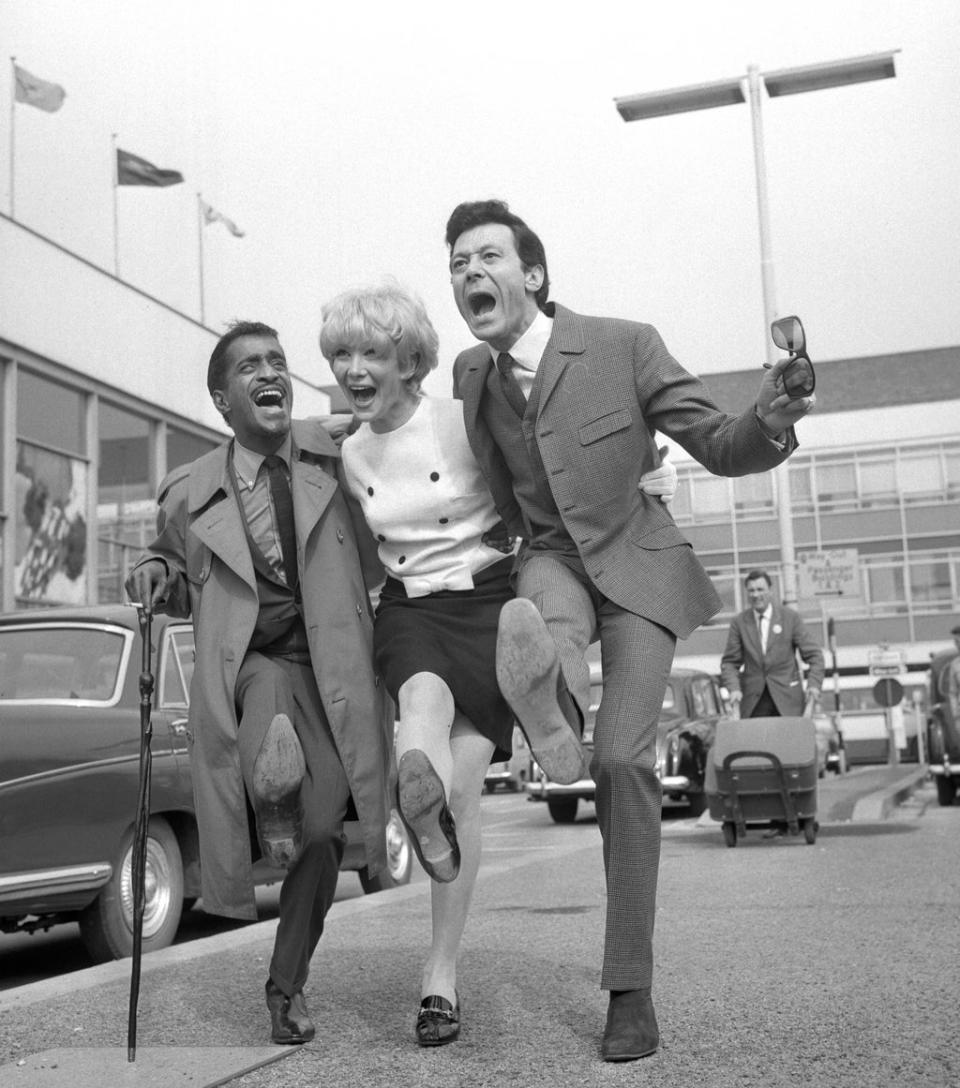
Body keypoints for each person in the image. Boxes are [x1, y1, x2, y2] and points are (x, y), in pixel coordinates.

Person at [443, 198, 815, 1063]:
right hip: (550, 561)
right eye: (456, 262)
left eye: (485, 255)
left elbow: (721, 444)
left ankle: (630, 987)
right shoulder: (470, 374)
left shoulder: (624, 344)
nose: (468, 273)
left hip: (639, 568)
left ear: (531, 274)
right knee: (540, 625)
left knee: (623, 763)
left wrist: (775, 411)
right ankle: (552, 714)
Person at [316, 281, 677, 1048]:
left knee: (468, 787)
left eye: (370, 353)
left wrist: (642, 471)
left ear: (408, 359)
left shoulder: (463, 418)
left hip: (491, 607)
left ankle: (439, 971)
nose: (353, 367)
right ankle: (422, 806)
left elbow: (542, 463)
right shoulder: (346, 450)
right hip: (412, 609)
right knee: (420, 701)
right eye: (340, 354)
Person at [124, 321, 393, 1046]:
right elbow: (173, 570)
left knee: (323, 827)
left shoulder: (337, 457)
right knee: (267, 715)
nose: (270, 373)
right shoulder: (190, 492)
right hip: (250, 660)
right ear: (222, 398)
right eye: (250, 366)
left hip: (330, 661)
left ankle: (286, 981)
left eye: (277, 361)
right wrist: (156, 574)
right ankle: (271, 788)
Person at [720, 569, 825, 718]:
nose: (755, 595)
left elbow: (815, 656)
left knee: (789, 741)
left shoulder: (790, 618)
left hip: (788, 702)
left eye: (760, 589)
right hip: (754, 704)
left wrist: (813, 686)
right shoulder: (739, 623)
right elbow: (730, 663)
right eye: (751, 591)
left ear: (770, 590)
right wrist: (734, 689)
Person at [945, 624, 960, 720]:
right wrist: (956, 716)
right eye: (955, 642)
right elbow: (953, 692)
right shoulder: (955, 665)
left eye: (958, 641)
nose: (956, 645)